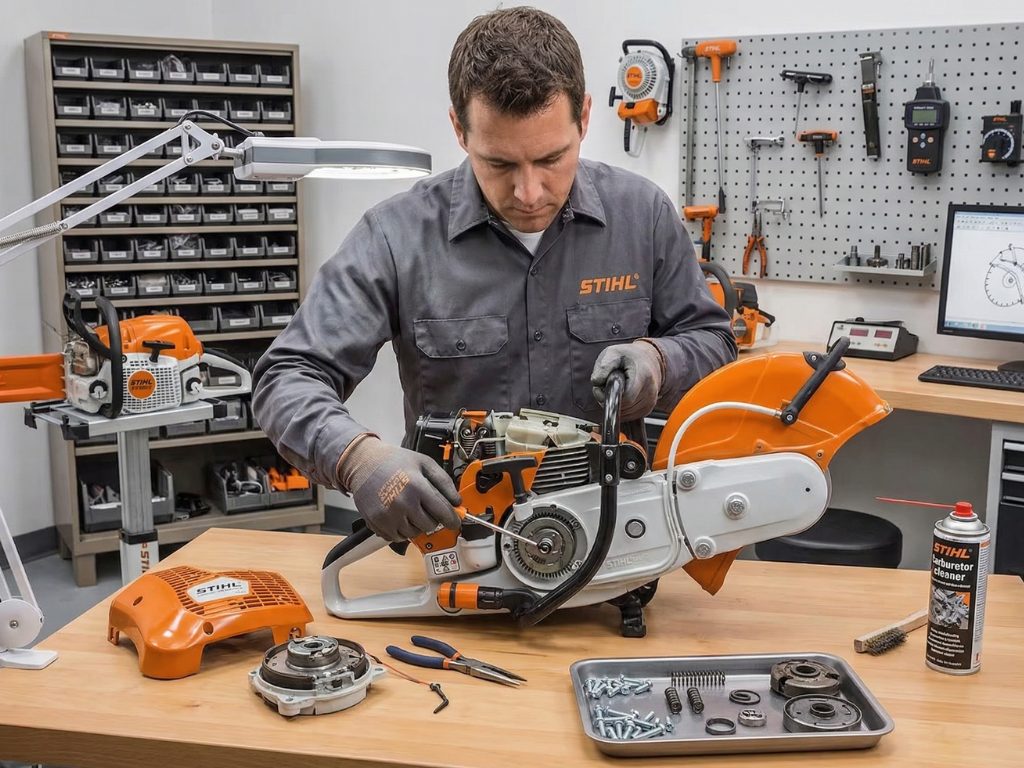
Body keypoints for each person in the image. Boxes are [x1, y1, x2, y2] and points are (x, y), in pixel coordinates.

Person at [252, 6, 736, 543]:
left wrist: (659, 360)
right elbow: (287, 377)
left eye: (552, 158)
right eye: (500, 164)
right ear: (460, 129)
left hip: (619, 545)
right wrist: (356, 457)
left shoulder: (642, 216)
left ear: (586, 118)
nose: (529, 193)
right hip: (462, 547)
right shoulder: (396, 236)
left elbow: (714, 343)